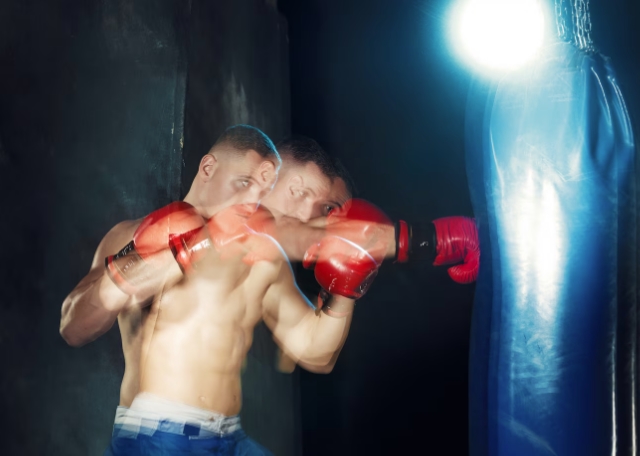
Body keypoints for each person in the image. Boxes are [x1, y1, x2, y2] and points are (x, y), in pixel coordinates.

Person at [60, 126, 384, 455]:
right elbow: (73, 328)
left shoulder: (265, 257)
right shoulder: (134, 234)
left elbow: (314, 351)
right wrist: (176, 252)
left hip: (227, 436)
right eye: (328, 209)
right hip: (156, 434)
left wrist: (347, 288)